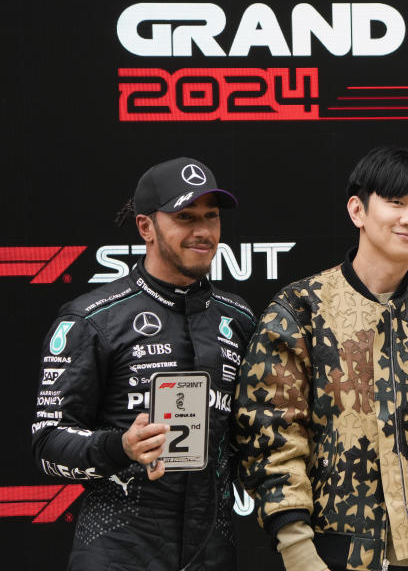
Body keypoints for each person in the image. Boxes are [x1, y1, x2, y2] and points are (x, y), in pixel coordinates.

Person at [233, 147, 408, 571]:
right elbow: (267, 434)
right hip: (331, 556)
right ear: (357, 211)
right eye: (396, 202)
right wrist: (298, 551)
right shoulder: (301, 309)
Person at [31, 157, 256, 570]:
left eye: (211, 217)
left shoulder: (238, 319)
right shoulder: (91, 319)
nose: (203, 231)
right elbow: (47, 444)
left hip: (214, 553)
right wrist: (121, 447)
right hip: (119, 553)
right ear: (145, 227)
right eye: (185, 217)